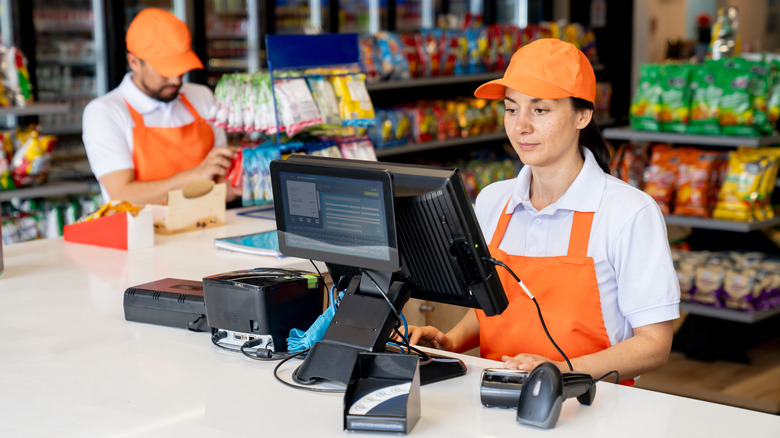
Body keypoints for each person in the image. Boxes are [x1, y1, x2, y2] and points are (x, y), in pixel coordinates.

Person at [403, 38, 680, 383]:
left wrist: (558, 373)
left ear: (583, 115)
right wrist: (451, 340)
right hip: (497, 397)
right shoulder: (493, 201)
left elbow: (654, 344)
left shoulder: (628, 212)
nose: (521, 126)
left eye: (540, 110)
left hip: (595, 408)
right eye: (511, 108)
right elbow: (497, 306)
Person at [83, 8, 239, 205]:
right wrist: (195, 176)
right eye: (165, 70)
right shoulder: (104, 112)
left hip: (208, 225)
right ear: (134, 62)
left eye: (181, 69)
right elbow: (122, 195)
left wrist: (240, 183)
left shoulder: (201, 97)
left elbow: (218, 185)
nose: (176, 80)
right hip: (143, 233)